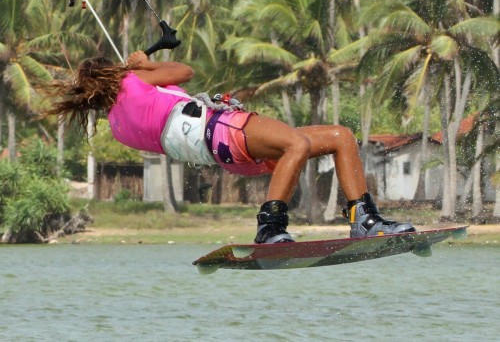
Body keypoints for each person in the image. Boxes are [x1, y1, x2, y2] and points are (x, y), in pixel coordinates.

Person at [47, 51, 415, 243]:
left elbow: (163, 110)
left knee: (340, 137)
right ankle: (270, 227)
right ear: (113, 74)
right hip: (222, 130)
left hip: (220, 153)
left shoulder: (118, 128)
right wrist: (144, 64)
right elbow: (184, 72)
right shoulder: (132, 81)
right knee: (297, 144)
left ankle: (364, 220)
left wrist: (141, 78)